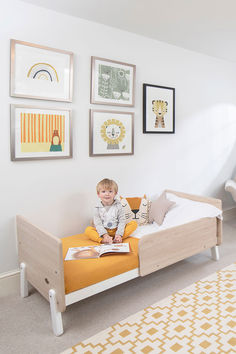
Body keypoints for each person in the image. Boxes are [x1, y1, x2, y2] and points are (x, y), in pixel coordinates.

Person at [85, 178, 137, 244]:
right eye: (103, 191)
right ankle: (103, 240)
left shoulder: (119, 206)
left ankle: (117, 238)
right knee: (88, 230)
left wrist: (119, 234)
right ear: (98, 194)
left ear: (115, 193)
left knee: (133, 224)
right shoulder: (97, 208)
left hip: (116, 230)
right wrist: (105, 235)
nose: (107, 194)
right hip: (104, 231)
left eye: (110, 191)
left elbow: (122, 221)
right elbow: (98, 224)